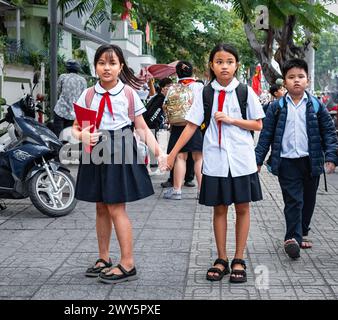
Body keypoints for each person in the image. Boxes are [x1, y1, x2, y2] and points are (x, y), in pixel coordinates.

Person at [166, 43, 265, 283]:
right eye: (219, 62)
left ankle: (238, 258)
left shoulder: (244, 92)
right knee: (219, 209)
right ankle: (221, 258)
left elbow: (258, 124)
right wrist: (172, 154)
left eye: (229, 62)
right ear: (212, 64)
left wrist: (231, 120)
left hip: (241, 160)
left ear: (236, 65)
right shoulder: (205, 93)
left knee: (242, 208)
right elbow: (191, 125)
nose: (224, 66)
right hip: (216, 159)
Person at [72, 44, 165, 284]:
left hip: (121, 146)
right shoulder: (88, 94)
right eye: (102, 63)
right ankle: (104, 258)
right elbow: (76, 126)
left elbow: (141, 127)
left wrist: (159, 153)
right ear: (95, 67)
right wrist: (82, 135)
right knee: (100, 206)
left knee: (116, 207)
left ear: (120, 67)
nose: (107, 68)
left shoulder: (128, 94)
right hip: (95, 148)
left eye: (112, 63)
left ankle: (128, 263)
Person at [255, 58, 337, 259]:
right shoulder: (277, 107)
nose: (296, 81)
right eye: (291, 77)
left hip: (311, 161)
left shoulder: (316, 105)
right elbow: (266, 134)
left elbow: (328, 132)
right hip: (286, 162)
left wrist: (332, 157)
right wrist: (257, 159)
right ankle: (291, 238)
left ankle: (302, 231)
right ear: (285, 82)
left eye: (301, 77)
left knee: (308, 201)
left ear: (307, 80)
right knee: (294, 201)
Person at [163, 61, 204, 200]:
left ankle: (177, 190)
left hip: (178, 126)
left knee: (180, 157)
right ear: (192, 72)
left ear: (177, 73)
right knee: (198, 158)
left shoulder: (172, 87)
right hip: (195, 125)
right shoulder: (199, 86)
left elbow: (165, 106)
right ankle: (201, 191)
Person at [53, 59, 87, 139]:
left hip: (60, 111)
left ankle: (57, 150)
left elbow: (58, 91)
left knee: (58, 137)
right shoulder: (83, 80)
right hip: (74, 114)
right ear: (78, 68)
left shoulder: (62, 77)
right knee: (69, 138)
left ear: (67, 68)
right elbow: (84, 97)